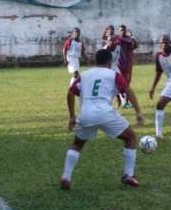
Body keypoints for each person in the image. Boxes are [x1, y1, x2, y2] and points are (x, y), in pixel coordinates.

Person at [60, 49, 144, 190]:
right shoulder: (113, 74)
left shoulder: (84, 75)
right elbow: (127, 90)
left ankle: (66, 177)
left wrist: (72, 116)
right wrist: (138, 112)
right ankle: (128, 175)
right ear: (110, 62)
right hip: (105, 113)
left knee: (77, 144)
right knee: (130, 138)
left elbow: (70, 92)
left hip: (86, 115)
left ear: (95, 61)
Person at [116, 25, 137, 108]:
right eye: (121, 30)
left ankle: (126, 102)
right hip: (119, 65)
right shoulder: (118, 38)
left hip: (127, 64)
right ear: (119, 31)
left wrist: (132, 40)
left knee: (127, 84)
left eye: (124, 30)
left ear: (125, 31)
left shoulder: (128, 39)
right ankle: (120, 101)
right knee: (119, 83)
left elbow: (134, 46)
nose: (122, 32)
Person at [102, 25, 122, 107]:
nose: (110, 42)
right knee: (108, 83)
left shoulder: (118, 47)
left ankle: (120, 99)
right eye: (109, 41)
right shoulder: (104, 50)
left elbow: (118, 58)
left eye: (112, 41)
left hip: (114, 65)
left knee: (119, 81)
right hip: (105, 67)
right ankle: (109, 99)